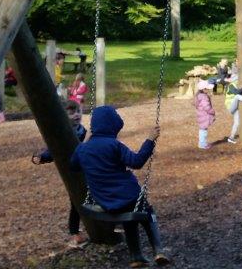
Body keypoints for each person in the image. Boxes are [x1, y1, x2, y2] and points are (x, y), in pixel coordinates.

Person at [70, 106, 169, 267]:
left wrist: (85, 141)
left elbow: (73, 165)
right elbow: (137, 162)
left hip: (104, 202)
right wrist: (150, 140)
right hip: (129, 197)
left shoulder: (83, 149)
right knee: (148, 213)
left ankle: (136, 256)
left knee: (129, 217)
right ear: (112, 125)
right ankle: (158, 251)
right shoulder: (113, 145)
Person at [32, 100, 89, 248]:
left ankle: (101, 223)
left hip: (82, 168)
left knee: (90, 196)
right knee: (76, 201)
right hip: (71, 171)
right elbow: (55, 149)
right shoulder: (61, 131)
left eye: (78, 111)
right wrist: (43, 157)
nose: (76, 115)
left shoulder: (81, 130)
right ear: (63, 116)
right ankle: (75, 233)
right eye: (71, 113)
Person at [193, 79, 215, 149]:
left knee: (202, 129)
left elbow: (197, 105)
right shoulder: (204, 97)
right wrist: (212, 111)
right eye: (207, 89)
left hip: (201, 115)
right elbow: (206, 107)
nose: (209, 90)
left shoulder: (199, 96)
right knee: (203, 130)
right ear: (204, 89)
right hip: (204, 116)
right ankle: (203, 144)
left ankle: (202, 143)